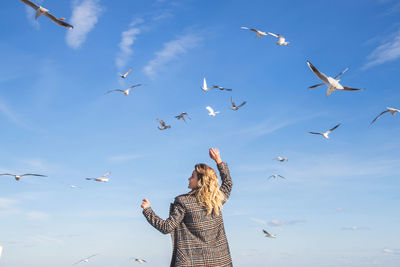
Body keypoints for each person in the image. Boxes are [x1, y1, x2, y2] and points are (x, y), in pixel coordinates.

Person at [141, 148, 233, 267]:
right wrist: (218, 160)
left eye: (192, 176)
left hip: (192, 262)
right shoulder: (216, 200)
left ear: (201, 181)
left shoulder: (183, 202)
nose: (188, 179)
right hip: (220, 262)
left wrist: (148, 210)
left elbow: (166, 227)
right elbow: (228, 183)